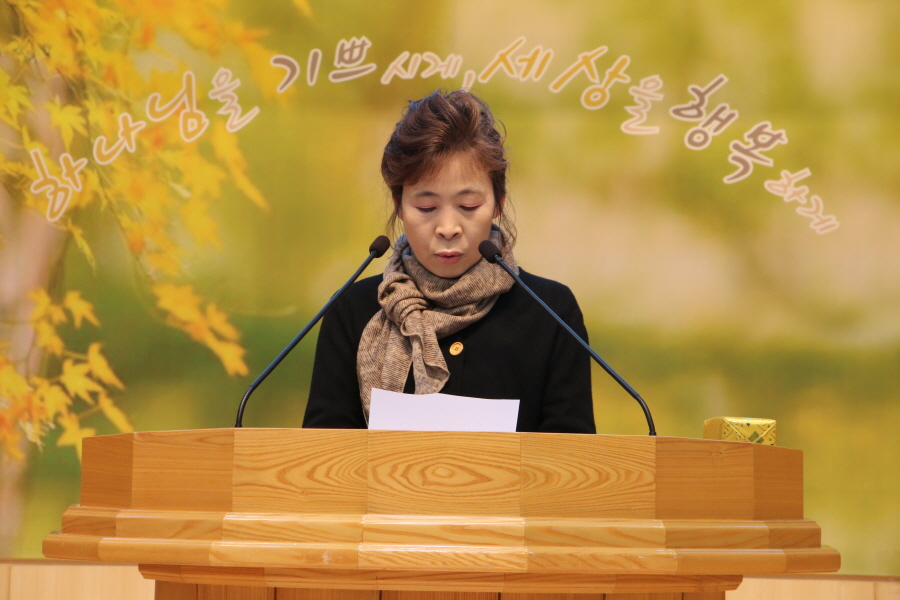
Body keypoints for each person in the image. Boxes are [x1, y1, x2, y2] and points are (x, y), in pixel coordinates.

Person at [303, 90, 595, 433]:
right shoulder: (353, 311)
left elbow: (574, 457)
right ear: (399, 206)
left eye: (468, 206)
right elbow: (322, 454)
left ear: (498, 203)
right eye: (426, 208)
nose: (447, 228)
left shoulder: (550, 312)